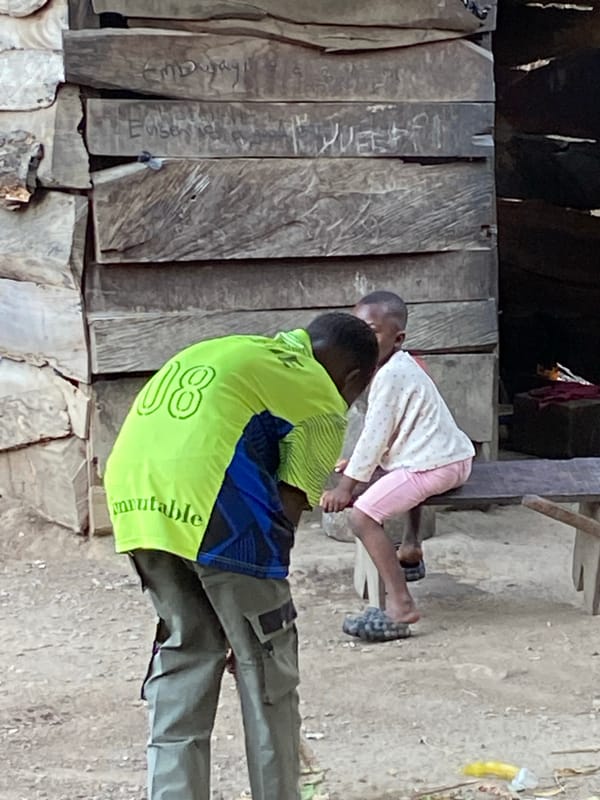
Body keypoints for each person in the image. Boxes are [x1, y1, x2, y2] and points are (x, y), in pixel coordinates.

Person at [103, 313, 378, 800]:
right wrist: (255, 621)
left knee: (188, 652)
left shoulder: (237, 348)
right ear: (354, 378)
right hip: (216, 511)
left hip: (134, 500)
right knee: (267, 668)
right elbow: (284, 519)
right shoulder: (320, 396)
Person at [321, 292, 475, 642]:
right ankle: (410, 547)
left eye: (372, 332)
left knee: (361, 515)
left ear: (398, 338)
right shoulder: (399, 366)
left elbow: (374, 436)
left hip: (436, 464)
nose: (362, 341)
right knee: (389, 476)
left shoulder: (390, 376)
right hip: (446, 456)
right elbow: (388, 434)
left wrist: (346, 488)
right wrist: (361, 467)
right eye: (356, 332)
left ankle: (401, 605)